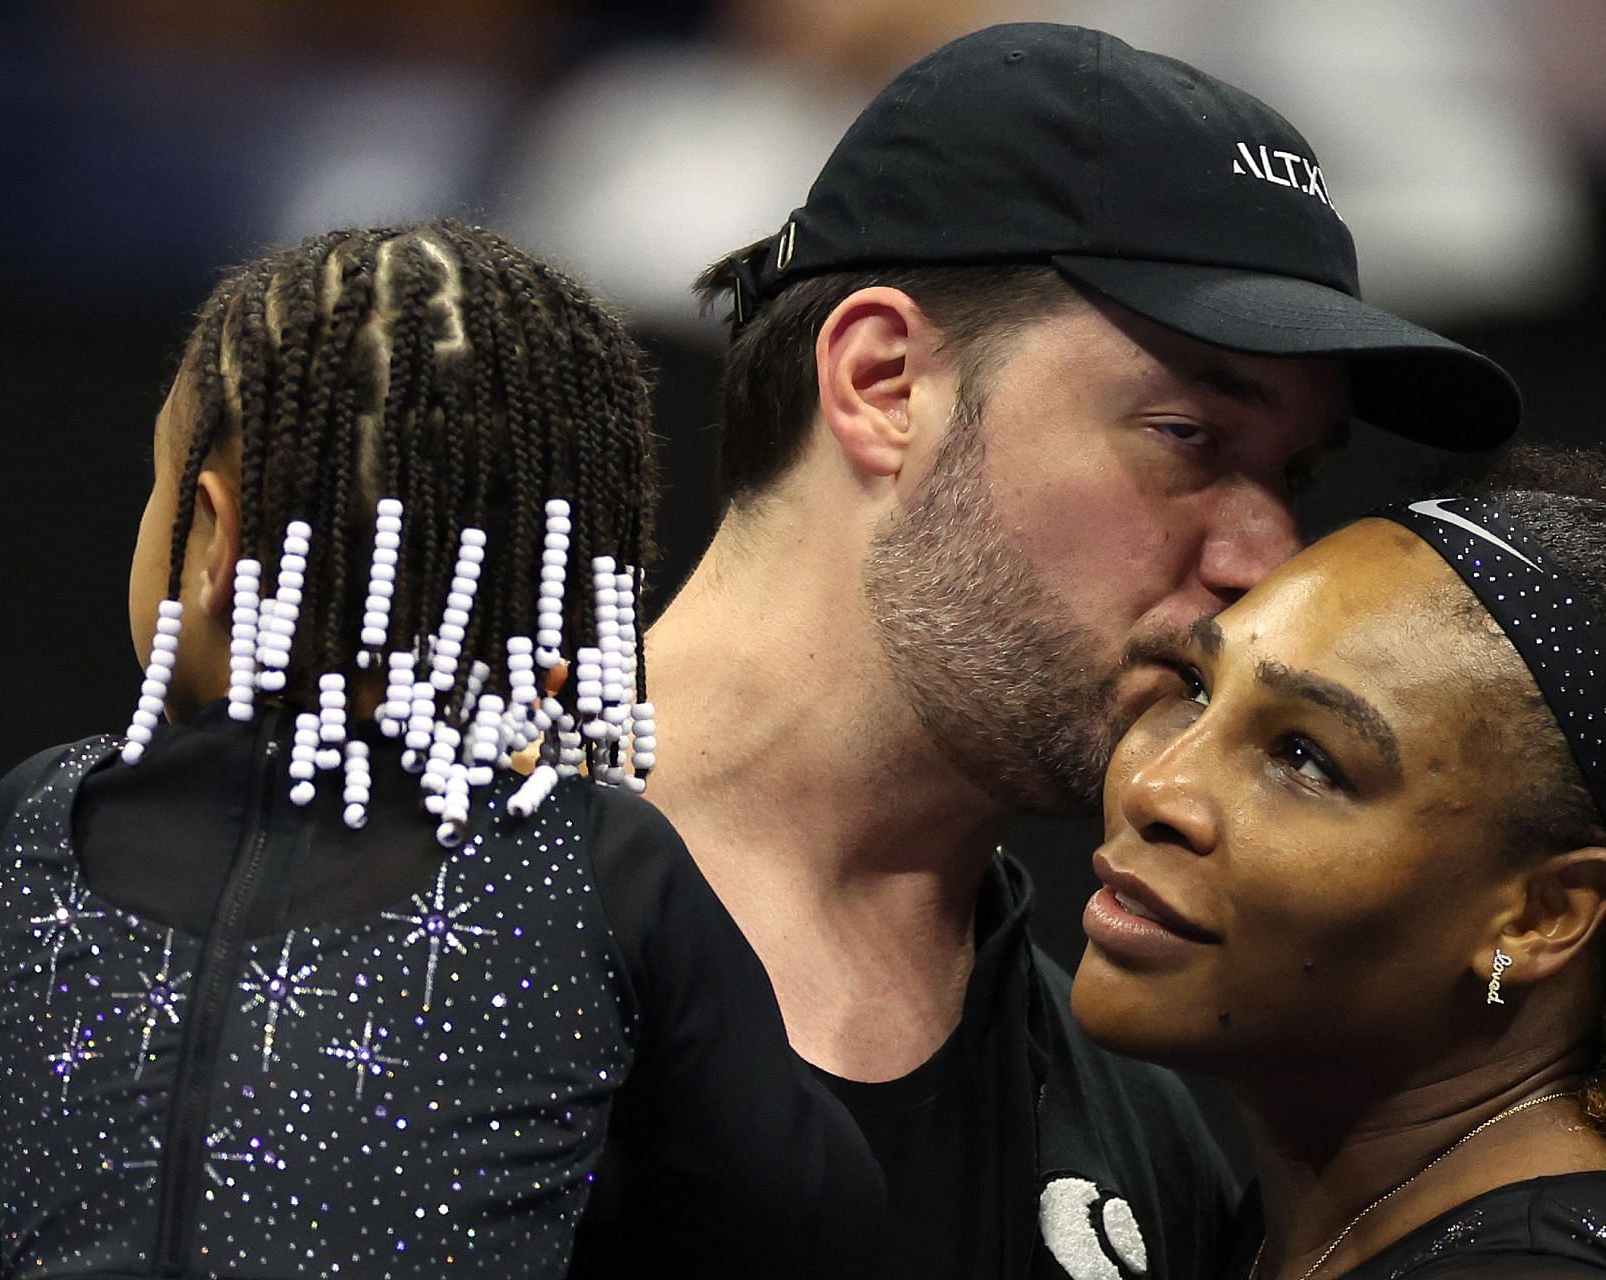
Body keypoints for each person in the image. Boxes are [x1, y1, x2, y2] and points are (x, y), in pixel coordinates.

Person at [589, 21, 1523, 1280]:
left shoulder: (1139, 1138)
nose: (1267, 561)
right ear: (883, 381)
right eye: (1190, 432)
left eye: (1293, 474)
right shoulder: (392, 894)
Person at [0, 220, 882, 1278]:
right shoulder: (601, 869)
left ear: (211, 539)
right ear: (553, 578)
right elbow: (825, 1222)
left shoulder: (42, 823)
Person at [1072, 446, 1606, 1278]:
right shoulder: (1302, 1222)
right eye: (1198, 687)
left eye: (1305, 758)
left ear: (1541, 916)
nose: (1154, 784)